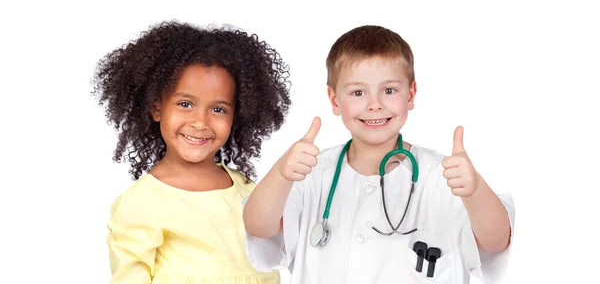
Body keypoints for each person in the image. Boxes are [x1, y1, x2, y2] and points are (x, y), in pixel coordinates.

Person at [243, 25, 515, 283]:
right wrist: (280, 174)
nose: (375, 105)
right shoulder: (310, 173)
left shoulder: (444, 177)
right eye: (358, 92)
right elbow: (259, 226)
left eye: (389, 90)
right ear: (335, 100)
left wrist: (475, 190)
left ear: (411, 95)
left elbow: (496, 242)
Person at [92, 21, 291, 283]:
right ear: (156, 108)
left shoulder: (246, 190)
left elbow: (269, 265)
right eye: (185, 104)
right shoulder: (143, 202)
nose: (200, 122)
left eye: (218, 109)